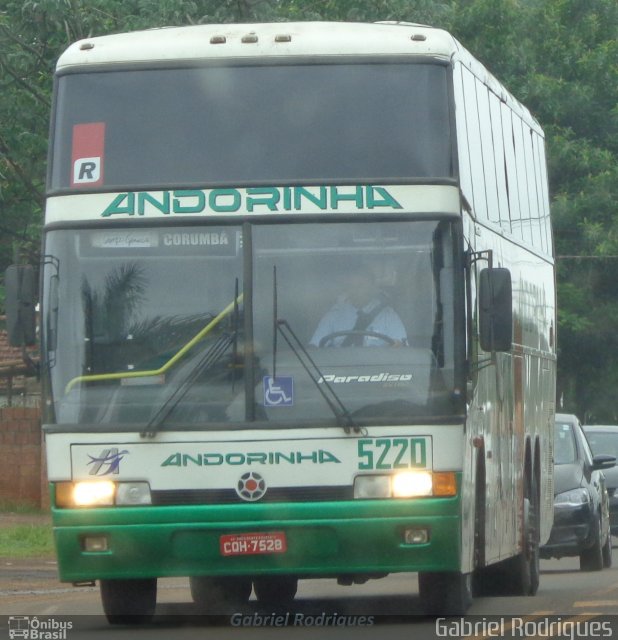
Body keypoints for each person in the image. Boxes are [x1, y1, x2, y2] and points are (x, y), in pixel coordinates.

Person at [309, 264, 407, 347]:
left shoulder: (388, 316)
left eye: (361, 286)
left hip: (378, 367)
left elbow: (402, 348)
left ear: (372, 287)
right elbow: (315, 347)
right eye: (352, 286)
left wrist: (397, 345)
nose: (356, 290)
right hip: (342, 367)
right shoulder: (334, 315)